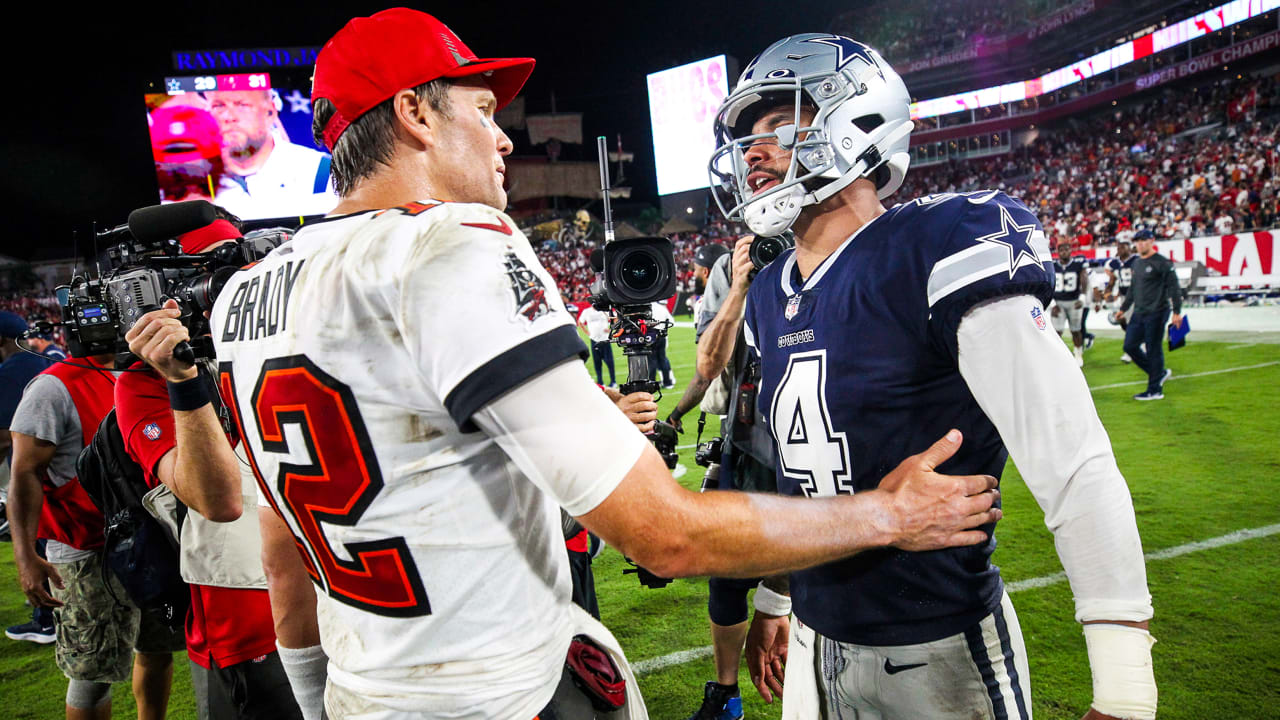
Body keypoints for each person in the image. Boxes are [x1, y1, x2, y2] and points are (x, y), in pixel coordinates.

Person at [209, 10, 1002, 719]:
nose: (503, 136)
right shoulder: (446, 245)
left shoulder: (244, 293)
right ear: (415, 113)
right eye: (483, 112)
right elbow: (665, 536)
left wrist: (318, 698)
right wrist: (890, 513)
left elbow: (281, 549)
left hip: (365, 693)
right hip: (501, 691)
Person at [709, 34, 1156, 720]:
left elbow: (1073, 460)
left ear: (856, 121)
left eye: (778, 125)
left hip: (936, 649)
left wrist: (1124, 684)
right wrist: (777, 596)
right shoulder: (769, 290)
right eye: (747, 138)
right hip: (812, 646)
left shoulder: (939, 245)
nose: (755, 153)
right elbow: (796, 465)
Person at [115, 218, 302, 720]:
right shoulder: (144, 381)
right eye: (218, 273)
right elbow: (218, 501)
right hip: (246, 615)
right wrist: (183, 379)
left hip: (339, 592)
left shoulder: (294, 337)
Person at [8, 345, 184, 720]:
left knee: (157, 649)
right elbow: (24, 474)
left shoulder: (146, 369)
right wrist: (25, 555)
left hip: (153, 538)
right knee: (93, 673)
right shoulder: (52, 387)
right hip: (85, 550)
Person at [667, 237, 779, 720]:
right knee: (726, 582)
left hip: (810, 444)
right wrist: (674, 415)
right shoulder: (730, 269)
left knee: (807, 571)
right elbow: (709, 368)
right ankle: (726, 695)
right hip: (745, 444)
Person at [206, 89, 336, 219]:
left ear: (270, 112)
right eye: (219, 106)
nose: (229, 117)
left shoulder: (321, 171)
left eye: (242, 105)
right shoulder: (195, 178)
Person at [0, 311, 52, 548]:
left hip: (32, 486)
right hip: (66, 483)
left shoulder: (9, 373)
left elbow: (2, 439)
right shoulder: (47, 360)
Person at [1115, 230, 1182, 401]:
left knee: (1153, 349)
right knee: (1129, 346)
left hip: (1158, 311)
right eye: (1137, 241)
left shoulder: (1162, 262)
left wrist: (1176, 312)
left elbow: (1174, 287)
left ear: (1152, 240)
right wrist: (1123, 308)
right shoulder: (1137, 263)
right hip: (1139, 312)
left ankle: (1154, 390)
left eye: (1144, 240)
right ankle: (1158, 374)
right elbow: (1133, 289)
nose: (1140, 244)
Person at [1050, 241, 1089, 366]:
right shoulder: (1052, 265)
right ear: (1057, 252)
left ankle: (1078, 354)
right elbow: (1048, 284)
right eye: (1061, 250)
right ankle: (1057, 355)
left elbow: (1084, 279)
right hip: (1058, 302)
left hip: (1074, 302)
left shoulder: (1078, 264)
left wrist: (1082, 298)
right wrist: (1052, 304)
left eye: (1066, 249)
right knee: (1057, 332)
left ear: (1070, 250)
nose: (1064, 252)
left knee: (1076, 330)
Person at [1104, 240, 1136, 362]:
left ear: (1130, 249)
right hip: (1124, 297)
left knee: (1134, 323)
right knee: (1125, 322)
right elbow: (1112, 279)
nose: (1121, 250)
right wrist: (1108, 292)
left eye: (1124, 247)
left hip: (1137, 296)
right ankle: (1134, 347)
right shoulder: (1115, 263)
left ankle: (1133, 350)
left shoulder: (1136, 260)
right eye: (1119, 248)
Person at [578, 303, 616, 387]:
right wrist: (587, 333)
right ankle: (600, 382)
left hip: (605, 339)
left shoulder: (604, 310)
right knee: (597, 362)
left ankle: (613, 381)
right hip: (594, 340)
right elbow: (580, 322)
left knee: (610, 362)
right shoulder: (586, 312)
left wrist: (610, 329)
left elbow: (616, 318)